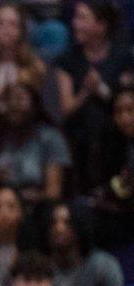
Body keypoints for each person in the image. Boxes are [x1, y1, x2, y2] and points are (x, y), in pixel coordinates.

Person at [55, 0, 134, 192]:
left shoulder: (124, 57)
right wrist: (86, 92)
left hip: (118, 131)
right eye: (75, 18)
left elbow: (127, 100)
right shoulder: (68, 60)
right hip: (80, 132)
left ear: (101, 25)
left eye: (82, 18)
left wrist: (102, 89)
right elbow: (66, 109)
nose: (75, 23)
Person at [0, 81, 69, 206]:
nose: (15, 105)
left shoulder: (51, 137)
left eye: (21, 99)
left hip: (37, 206)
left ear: (35, 106)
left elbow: (54, 193)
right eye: (10, 100)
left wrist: (27, 198)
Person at [93, 86, 134, 249]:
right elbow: (107, 184)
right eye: (119, 112)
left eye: (131, 110)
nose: (125, 118)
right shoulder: (111, 144)